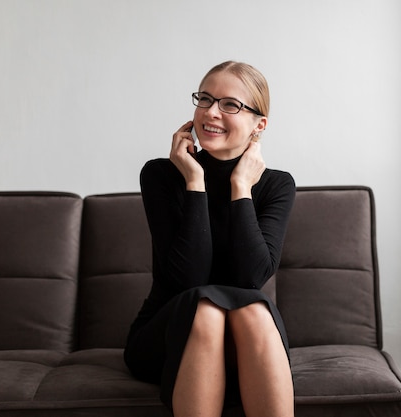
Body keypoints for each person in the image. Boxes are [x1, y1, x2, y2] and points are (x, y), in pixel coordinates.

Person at [124, 61, 296, 417]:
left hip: (246, 340)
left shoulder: (277, 185)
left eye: (230, 104)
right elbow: (189, 281)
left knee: (252, 308)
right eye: (205, 99)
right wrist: (195, 182)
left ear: (258, 125)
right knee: (206, 308)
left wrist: (241, 188)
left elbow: (250, 279)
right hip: (169, 335)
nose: (211, 112)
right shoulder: (161, 175)